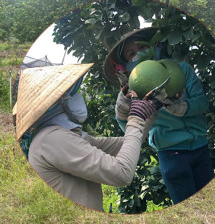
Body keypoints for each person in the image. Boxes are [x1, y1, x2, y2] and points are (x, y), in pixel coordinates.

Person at [13, 63, 165, 211]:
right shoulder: (52, 139)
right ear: (59, 102)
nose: (78, 97)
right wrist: (136, 118)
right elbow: (121, 173)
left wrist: (150, 112)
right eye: (70, 94)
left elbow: (127, 143)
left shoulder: (59, 135)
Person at [103, 27, 214, 205]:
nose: (138, 54)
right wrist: (123, 111)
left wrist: (179, 106)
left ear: (153, 46)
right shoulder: (135, 91)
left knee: (212, 204)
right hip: (171, 155)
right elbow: (131, 131)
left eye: (141, 47)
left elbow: (202, 103)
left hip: (200, 147)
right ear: (127, 64)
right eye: (131, 53)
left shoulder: (182, 70)